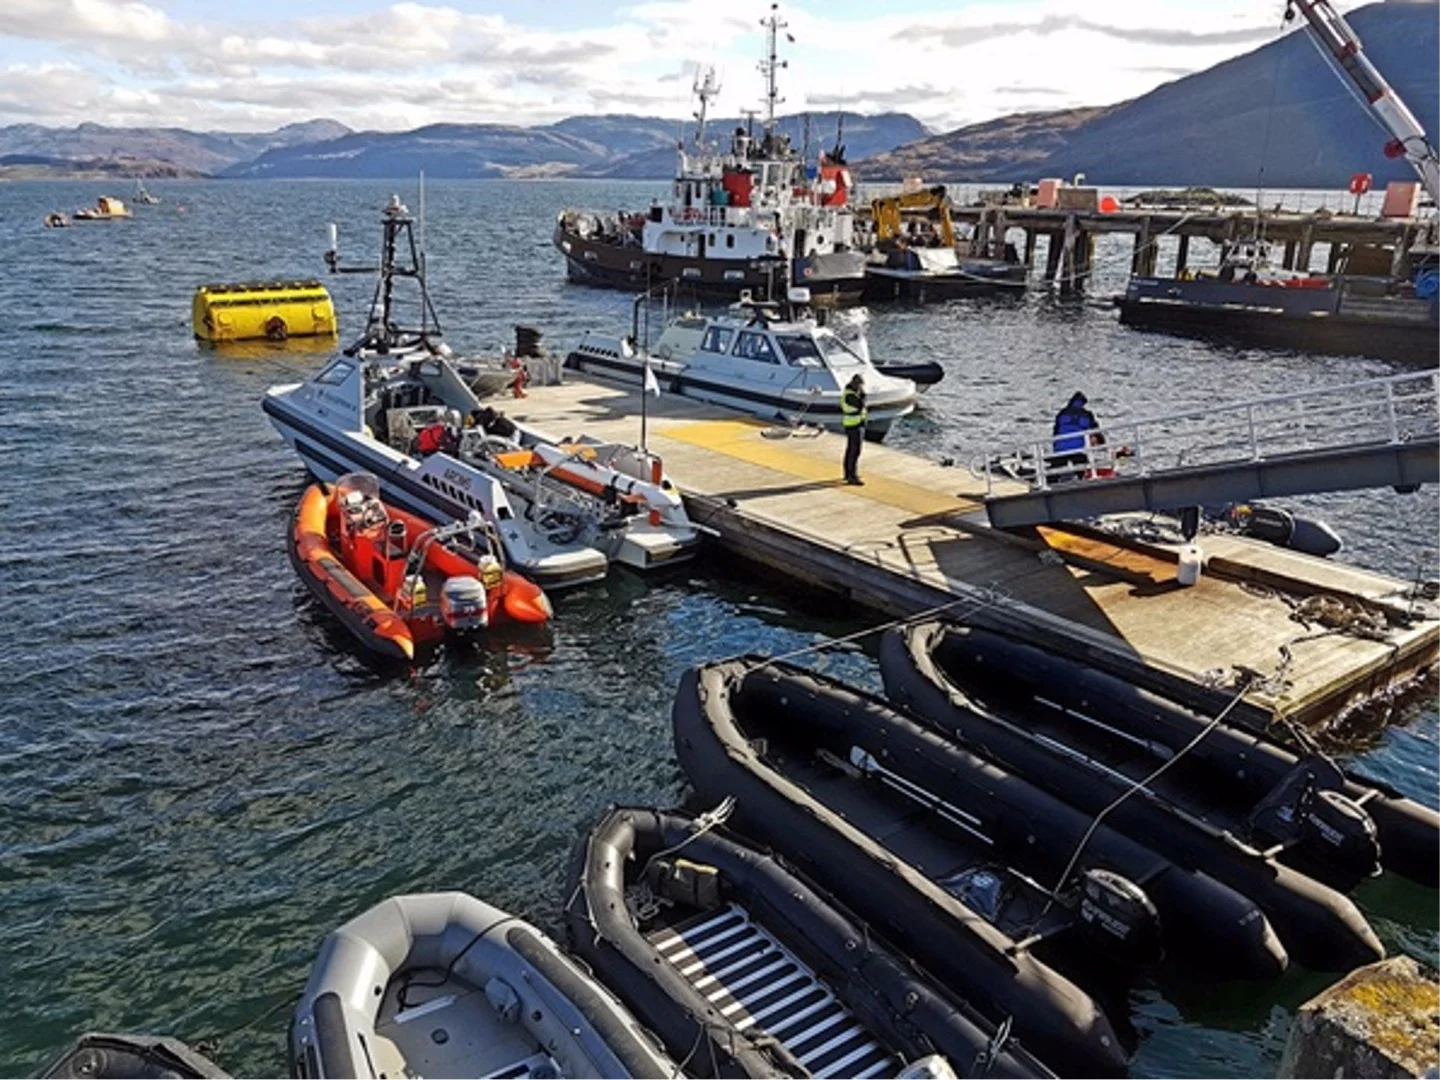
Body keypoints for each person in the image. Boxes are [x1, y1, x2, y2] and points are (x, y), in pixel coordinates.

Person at [1050, 391, 1098, 482]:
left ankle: (1051, 483)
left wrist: (1056, 446)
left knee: (1055, 469)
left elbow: (1055, 432)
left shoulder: (1062, 413)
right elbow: (1095, 431)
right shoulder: (1087, 415)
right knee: (1082, 467)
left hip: (1060, 448)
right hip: (1077, 448)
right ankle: (1082, 480)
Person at [841, 374, 867, 485]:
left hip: (856, 424)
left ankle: (848, 473)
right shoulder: (850, 396)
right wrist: (864, 395)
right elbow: (861, 404)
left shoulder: (851, 393)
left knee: (851, 450)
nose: (861, 387)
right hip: (854, 425)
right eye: (860, 385)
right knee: (855, 451)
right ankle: (852, 475)